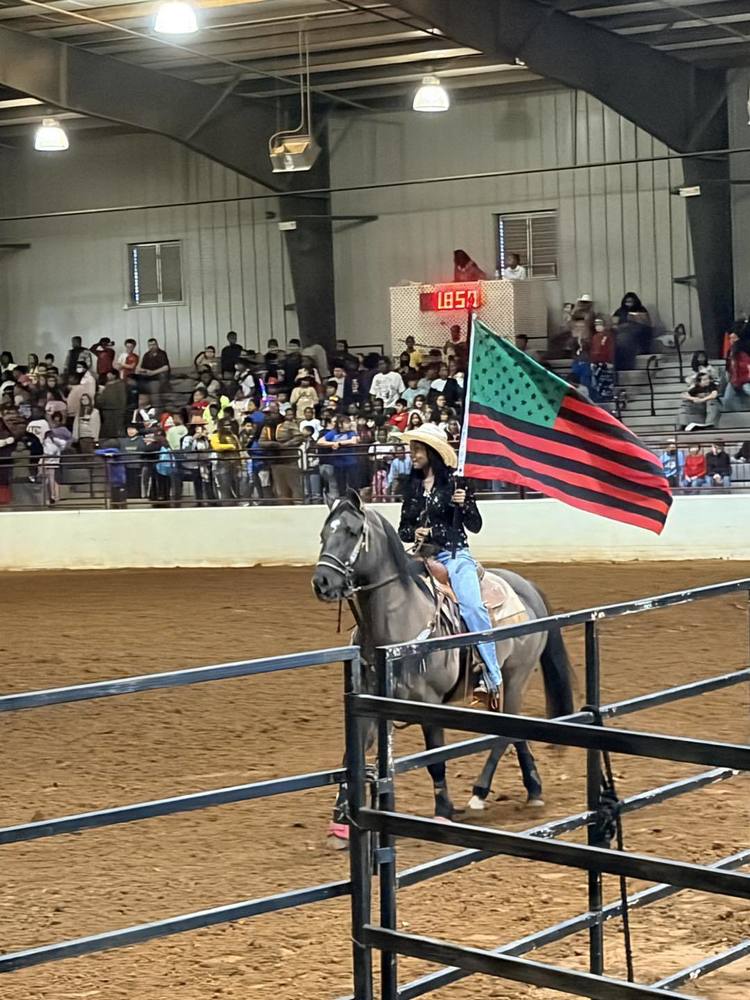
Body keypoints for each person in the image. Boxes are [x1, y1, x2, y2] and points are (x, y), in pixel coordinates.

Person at [397, 424, 503, 706]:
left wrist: (466, 503)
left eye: (417, 449)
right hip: (421, 556)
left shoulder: (458, 485)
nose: (413, 454)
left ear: (432, 452)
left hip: (454, 556)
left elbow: (475, 525)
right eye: (412, 449)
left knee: (472, 606)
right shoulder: (412, 487)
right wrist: (415, 533)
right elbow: (403, 529)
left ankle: (492, 677)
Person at [136, 338, 170, 404]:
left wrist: (153, 372)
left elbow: (166, 367)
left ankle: (162, 393)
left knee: (162, 375)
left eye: (153, 345)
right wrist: (143, 371)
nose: (152, 347)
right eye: (150, 345)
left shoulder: (162, 353)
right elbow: (141, 368)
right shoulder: (146, 355)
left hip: (158, 374)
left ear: (157, 345)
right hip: (149, 374)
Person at [722, 331, 750, 412]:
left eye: (734, 338)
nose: (732, 340)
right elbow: (728, 366)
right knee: (727, 399)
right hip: (734, 381)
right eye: (730, 338)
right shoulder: (729, 353)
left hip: (745, 380)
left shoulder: (743, 354)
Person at [97, 371, 128, 440]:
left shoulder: (120, 385)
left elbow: (123, 398)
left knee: (117, 428)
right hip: (107, 410)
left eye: (110, 374)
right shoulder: (107, 385)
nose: (108, 375)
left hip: (117, 410)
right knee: (109, 428)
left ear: (114, 375)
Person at [119, 423, 146, 499]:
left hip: (137, 466)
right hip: (125, 466)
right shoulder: (123, 441)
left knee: (136, 483)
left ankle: (136, 497)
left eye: (133, 429)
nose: (130, 431)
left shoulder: (141, 441)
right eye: (129, 429)